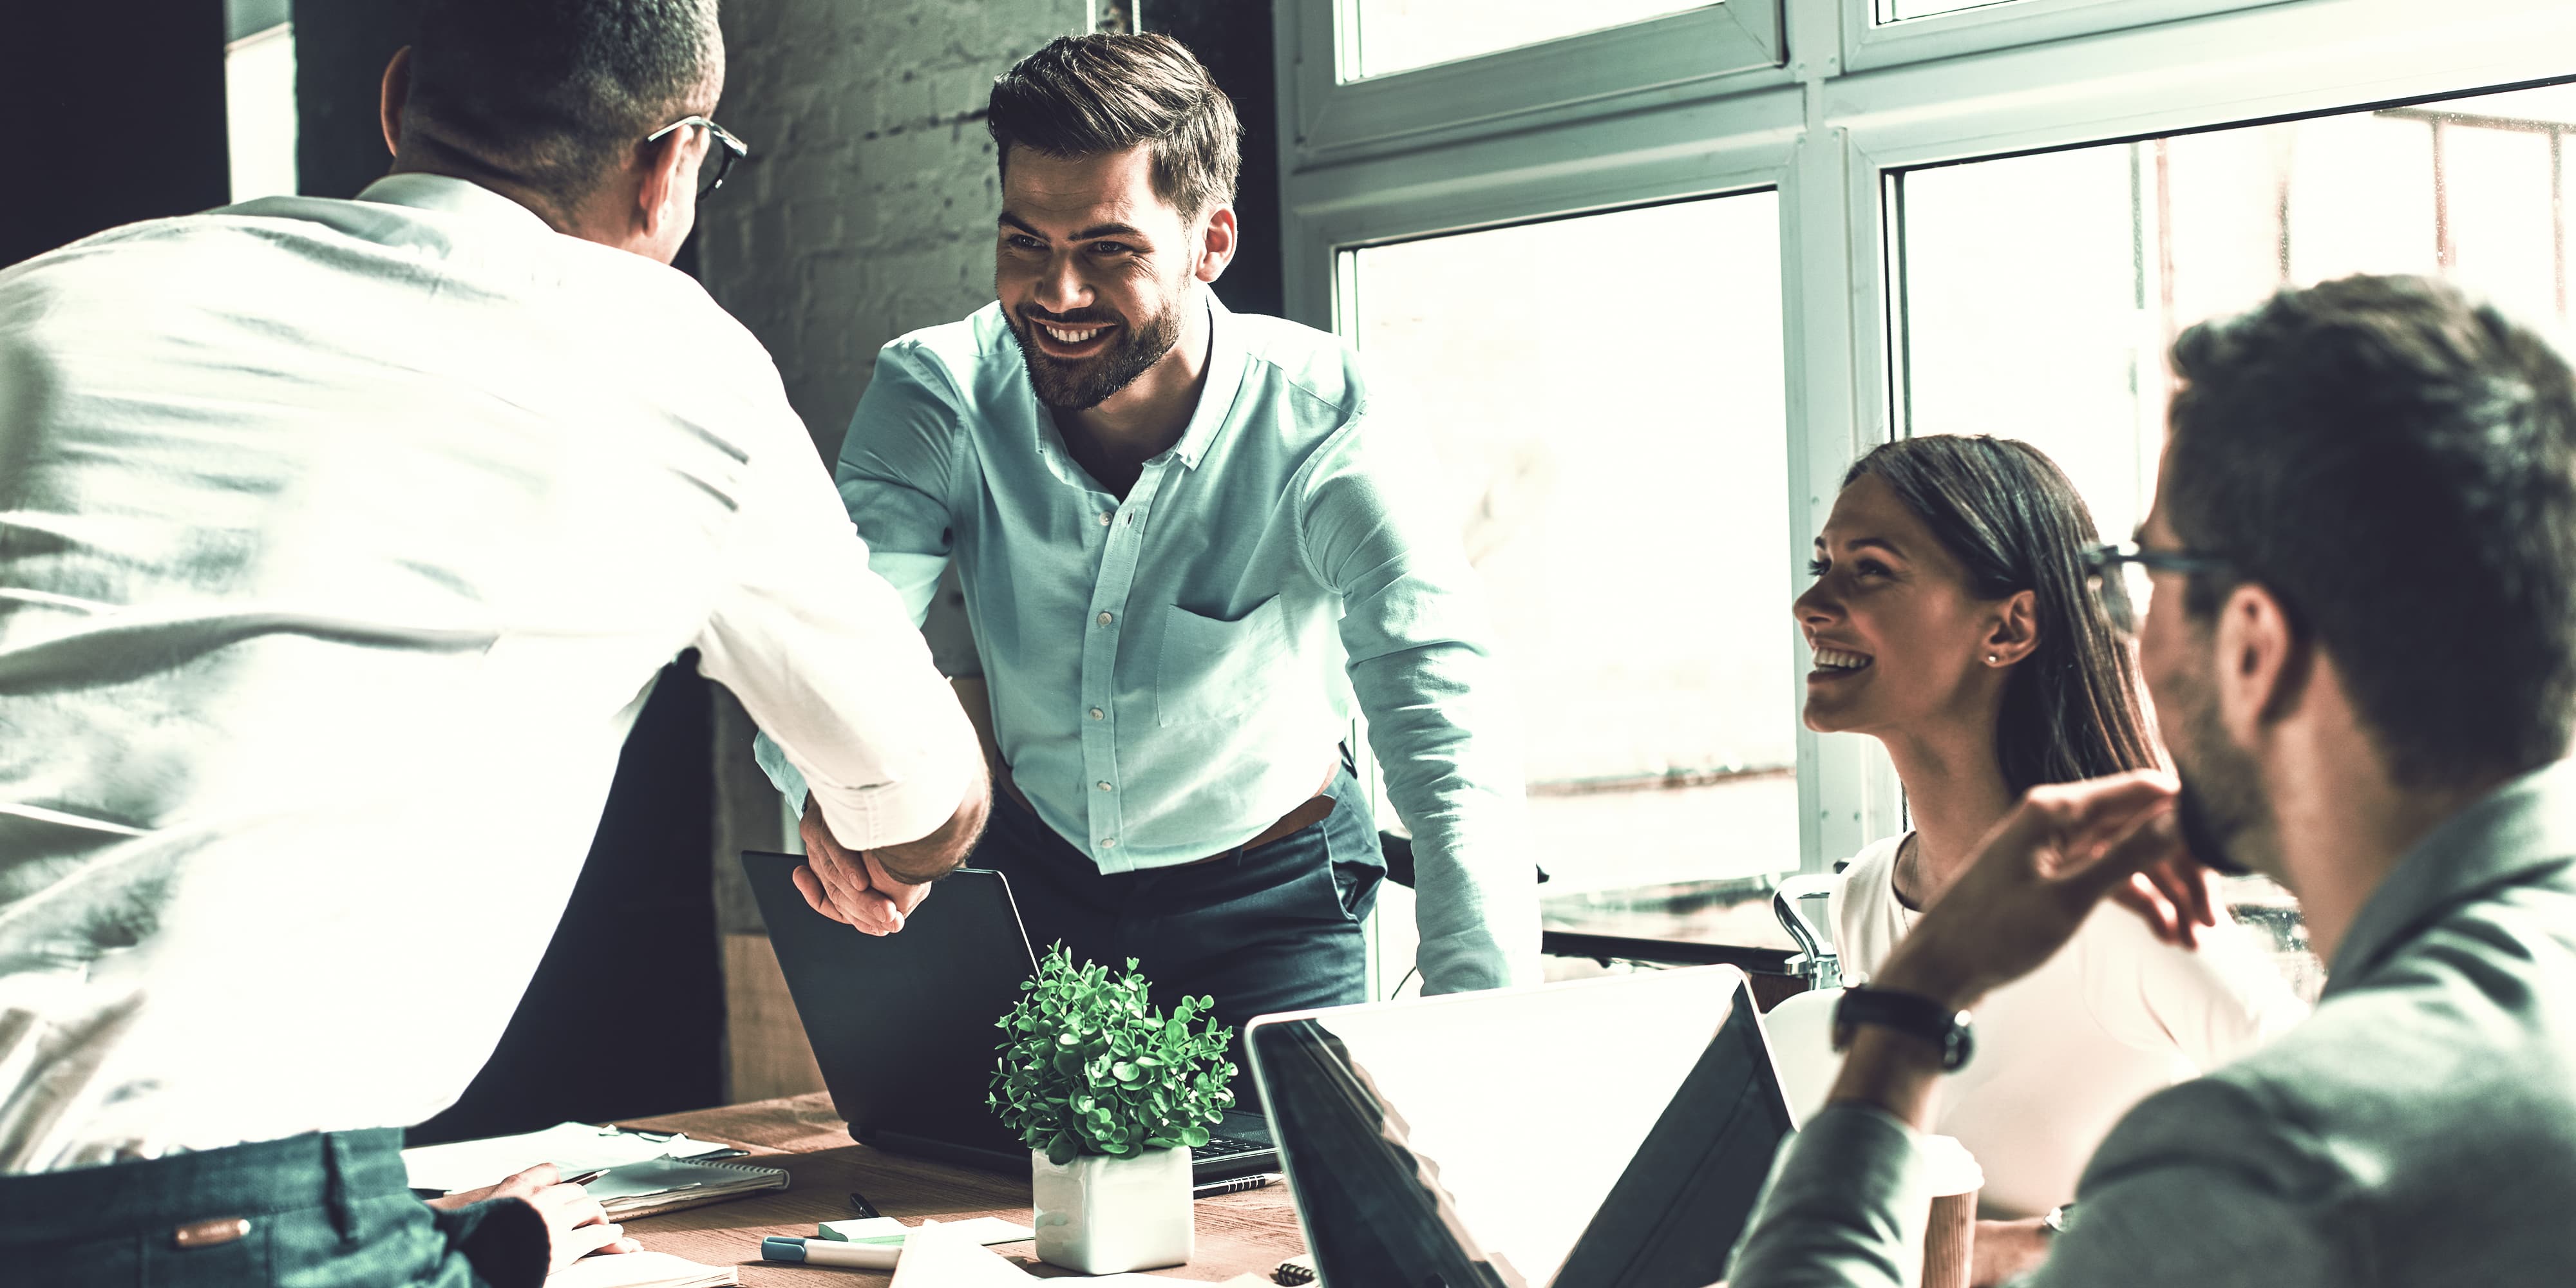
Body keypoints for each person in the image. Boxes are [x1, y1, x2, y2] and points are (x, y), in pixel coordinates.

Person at [0, 1, 988, 1283]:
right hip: (222, 1223)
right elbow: (919, 812)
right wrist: (888, 803)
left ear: (397, 100)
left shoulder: (50, 306)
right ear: (670, 165)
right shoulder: (663, 360)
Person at [1731, 273, 2576, 1286]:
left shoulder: (2274, 1161)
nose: (2126, 624)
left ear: (2253, 644)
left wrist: (1911, 1009)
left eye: (2150, 571)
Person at [755, 33, 1539, 1036]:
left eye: (1108, 250)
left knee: (1280, 1189)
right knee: (984, 1184)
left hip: (1272, 902)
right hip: (1032, 875)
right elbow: (830, 642)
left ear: (1210, 245)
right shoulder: (938, 392)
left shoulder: (1332, 423)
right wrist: (841, 804)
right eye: (1025, 242)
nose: (1057, 294)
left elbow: (1445, 716)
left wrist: (1487, 1030)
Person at [1782, 435, 2304, 1278]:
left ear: (2010, 626)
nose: (1813, 603)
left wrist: (2025, 1250)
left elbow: (2334, 1150)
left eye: (1869, 570)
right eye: (1824, 563)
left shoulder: (2123, 905)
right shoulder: (1870, 893)